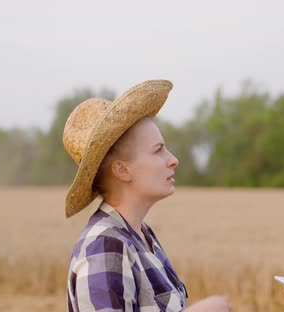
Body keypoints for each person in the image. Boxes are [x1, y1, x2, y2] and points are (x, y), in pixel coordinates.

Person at [62, 80, 232, 312]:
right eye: (158, 150)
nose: (173, 160)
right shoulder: (105, 246)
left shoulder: (141, 236)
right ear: (122, 170)